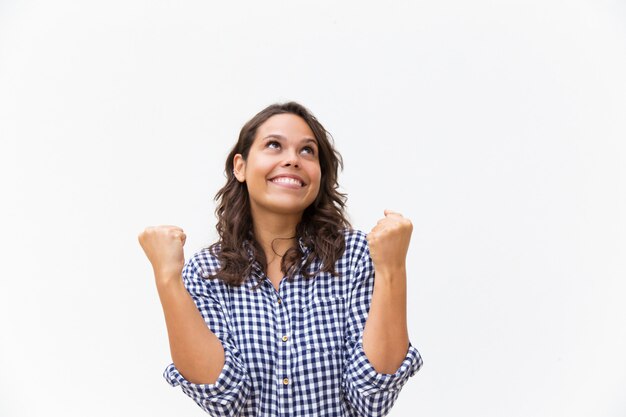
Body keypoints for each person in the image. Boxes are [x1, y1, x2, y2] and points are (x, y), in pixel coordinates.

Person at [138, 102, 423, 416]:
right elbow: (225, 400)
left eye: (307, 151)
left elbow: (371, 398)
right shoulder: (207, 272)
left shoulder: (356, 256)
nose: (292, 159)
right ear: (240, 166)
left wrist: (392, 269)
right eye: (274, 145)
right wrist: (167, 279)